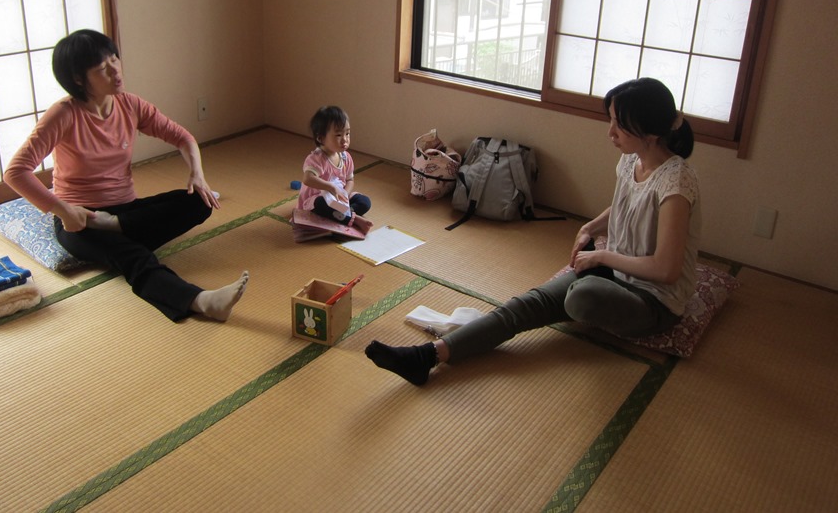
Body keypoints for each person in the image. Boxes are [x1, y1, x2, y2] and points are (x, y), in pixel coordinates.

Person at [365, 77, 700, 385]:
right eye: (611, 121)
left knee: (580, 297)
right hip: (617, 273)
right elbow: (627, 205)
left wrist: (601, 256)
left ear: (649, 131)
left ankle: (590, 291)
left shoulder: (675, 182)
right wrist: (590, 227)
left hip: (653, 300)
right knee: (527, 304)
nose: (611, 132)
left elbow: (666, 269)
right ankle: (426, 357)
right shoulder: (632, 159)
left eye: (620, 125)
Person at [4, 29, 248, 322]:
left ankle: (116, 226)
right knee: (133, 256)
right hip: (82, 220)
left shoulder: (129, 104)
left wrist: (198, 175)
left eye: (114, 59)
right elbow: (15, 172)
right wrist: (63, 210)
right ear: (79, 79)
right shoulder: (63, 114)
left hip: (127, 212)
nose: (115, 70)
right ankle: (201, 301)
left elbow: (183, 138)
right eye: (102, 68)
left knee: (200, 200)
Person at [297, 105, 372, 228]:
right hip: (318, 198)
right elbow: (308, 179)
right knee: (322, 204)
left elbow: (350, 180)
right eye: (338, 135)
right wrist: (331, 187)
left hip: (338, 197)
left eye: (347, 133)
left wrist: (345, 194)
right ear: (321, 138)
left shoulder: (346, 157)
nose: (345, 139)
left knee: (365, 202)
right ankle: (351, 218)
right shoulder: (317, 158)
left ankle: (344, 214)